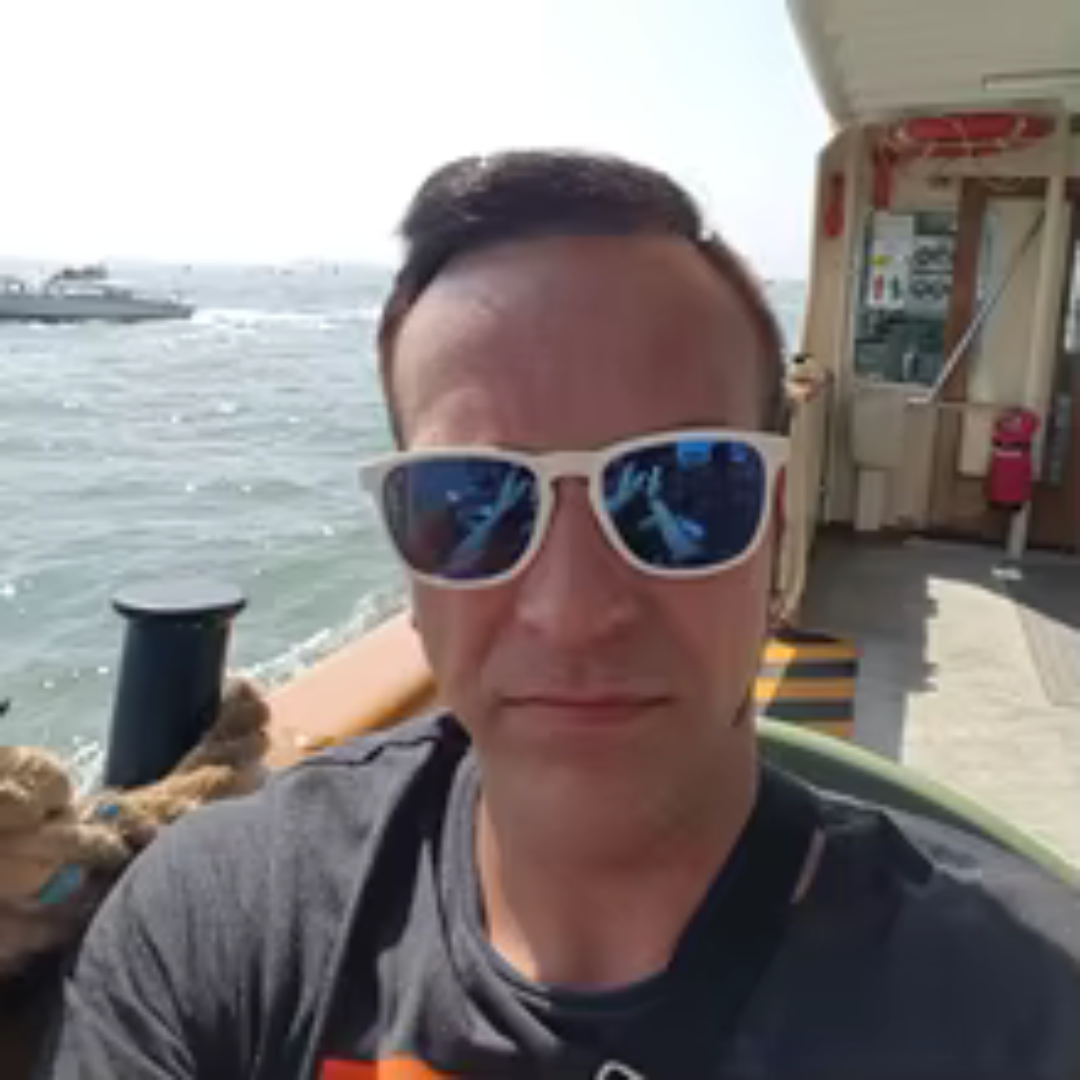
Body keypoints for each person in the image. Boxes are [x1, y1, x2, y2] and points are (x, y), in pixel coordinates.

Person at [45, 151, 1080, 1079]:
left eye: (685, 487)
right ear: (408, 559)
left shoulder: (1025, 1009)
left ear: (772, 527)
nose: (575, 611)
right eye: (471, 503)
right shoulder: (226, 925)